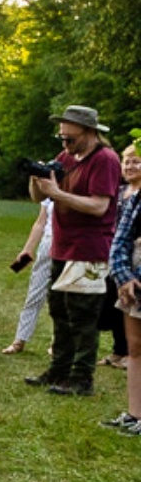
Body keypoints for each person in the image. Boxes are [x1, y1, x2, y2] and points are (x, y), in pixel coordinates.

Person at [24, 105, 122, 396]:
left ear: (90, 133)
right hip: (62, 246)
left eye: (71, 138)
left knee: (82, 315)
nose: (64, 144)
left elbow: (100, 206)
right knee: (59, 311)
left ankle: (82, 378)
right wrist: (37, 179)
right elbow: (37, 198)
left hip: (90, 248)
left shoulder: (105, 159)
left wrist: (57, 193)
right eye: (62, 138)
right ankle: (59, 369)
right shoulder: (65, 158)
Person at [104, 138, 141, 434]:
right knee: (136, 347)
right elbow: (121, 238)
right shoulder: (132, 198)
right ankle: (135, 414)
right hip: (134, 275)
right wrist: (123, 275)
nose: (131, 166)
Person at [97, 142, 140, 370]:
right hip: (115, 253)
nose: (130, 166)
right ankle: (118, 350)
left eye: (136, 161)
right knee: (115, 303)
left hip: (135, 257)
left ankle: (130, 352)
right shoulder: (120, 192)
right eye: (127, 161)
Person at [2, 198, 54, 355]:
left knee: (62, 298)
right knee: (35, 293)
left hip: (71, 245)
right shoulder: (50, 191)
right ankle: (20, 339)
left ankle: (58, 343)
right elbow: (40, 223)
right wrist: (27, 249)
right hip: (48, 243)